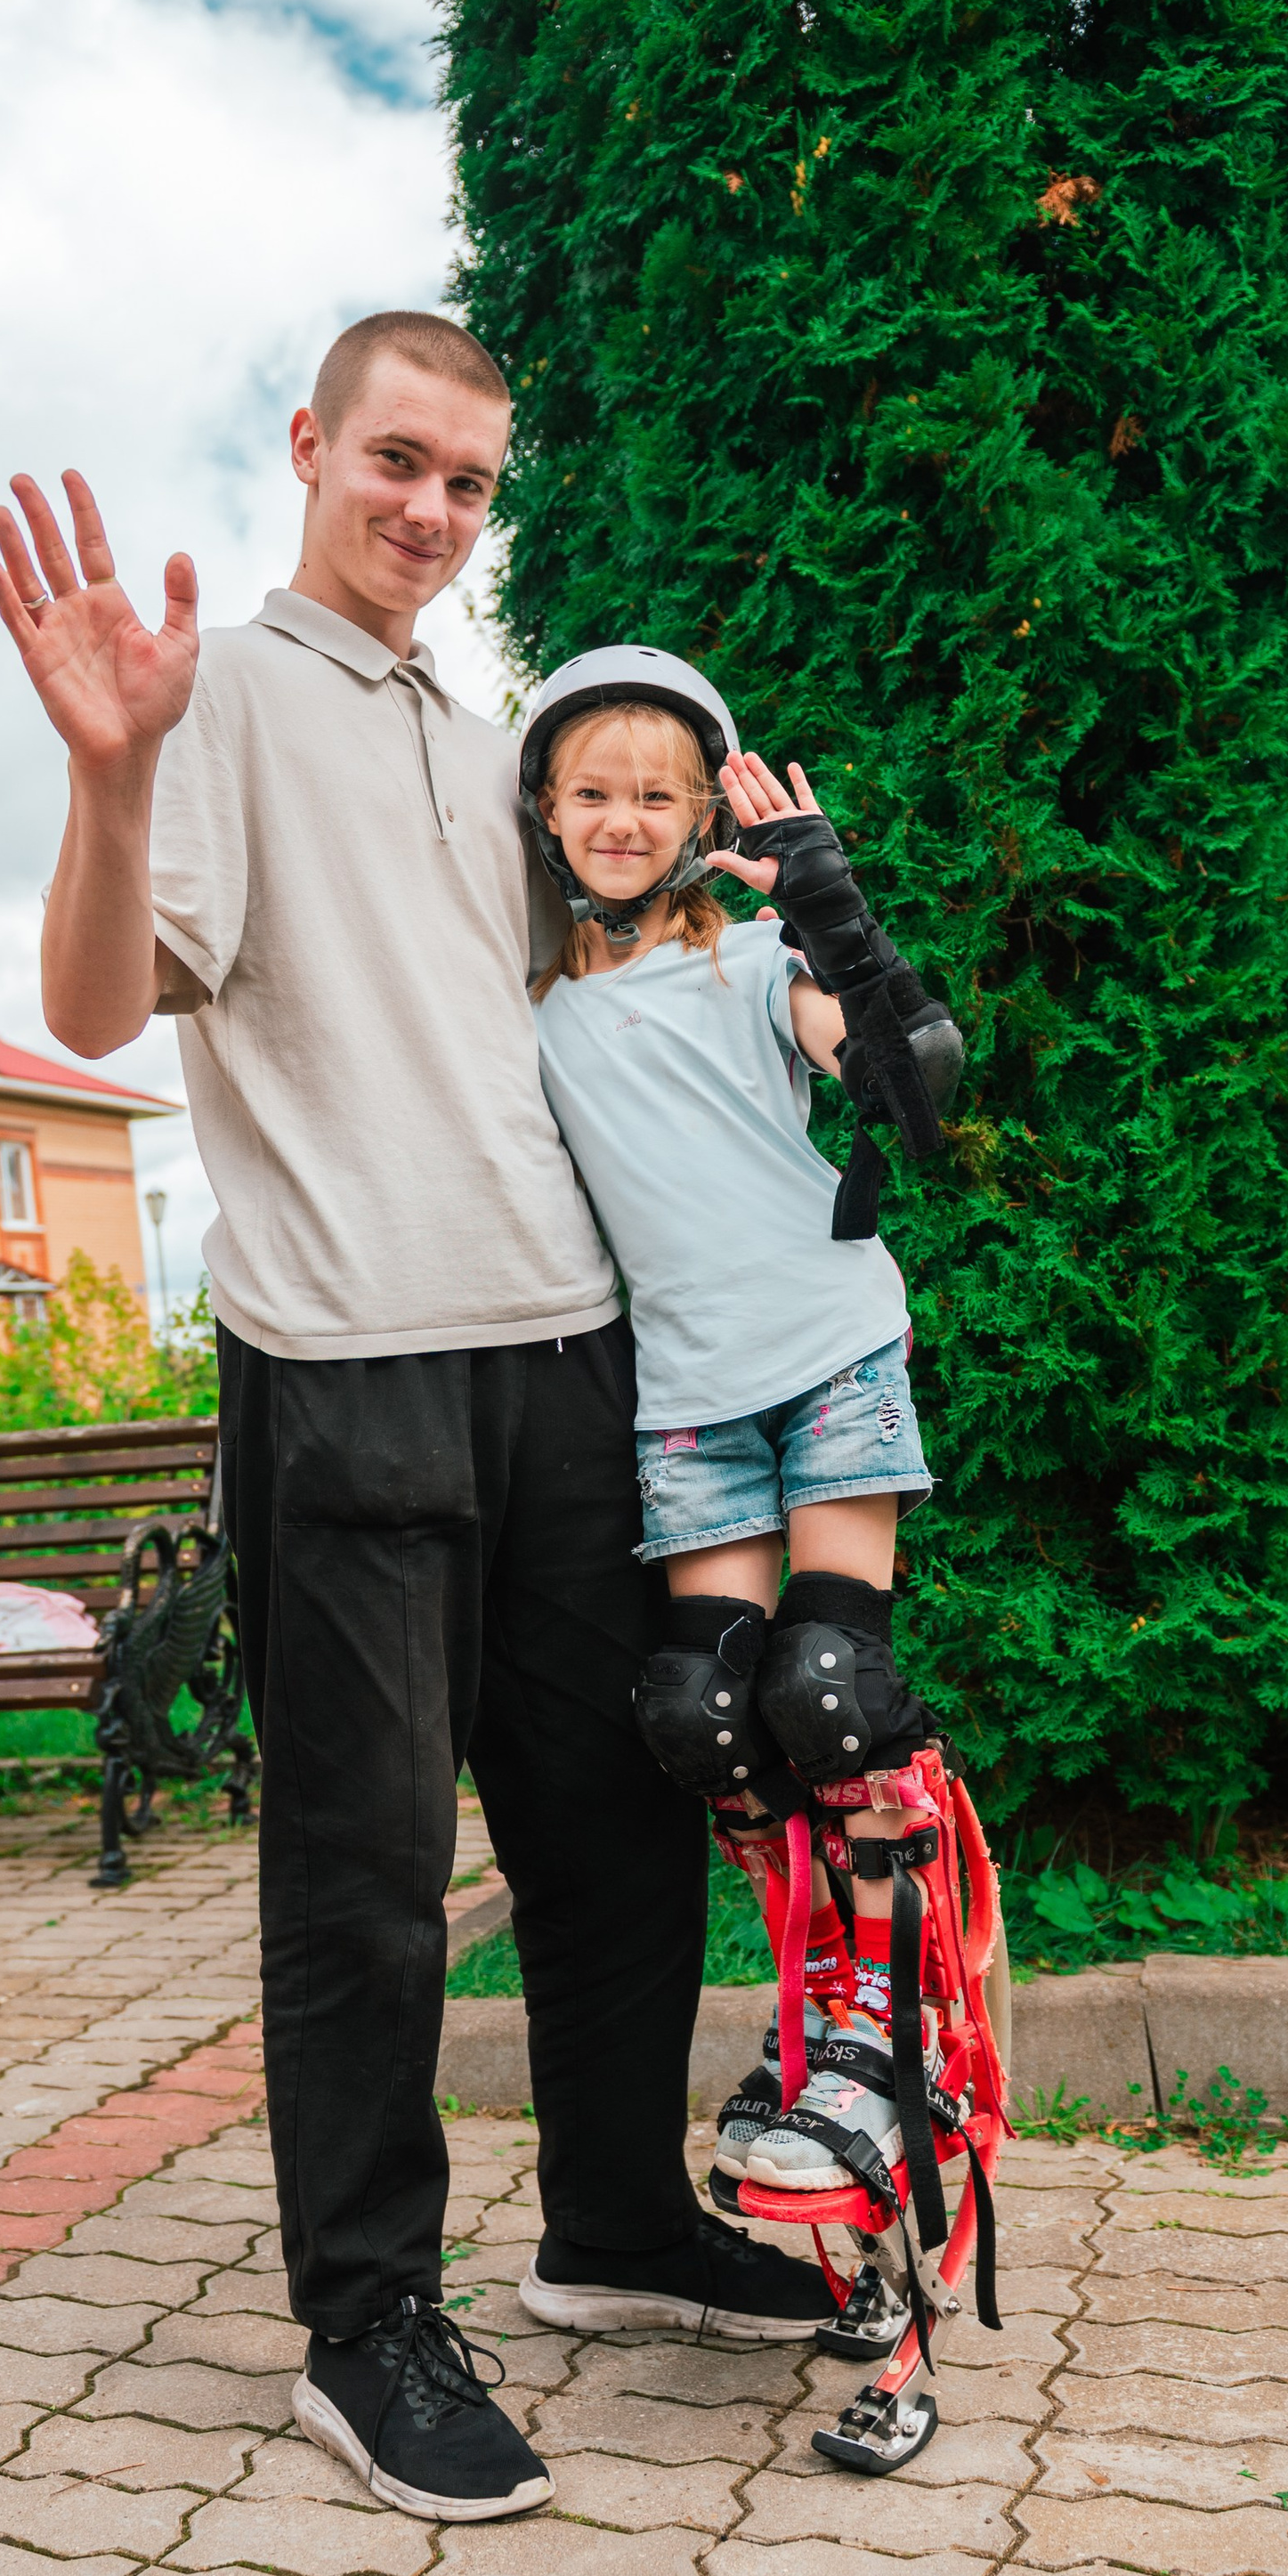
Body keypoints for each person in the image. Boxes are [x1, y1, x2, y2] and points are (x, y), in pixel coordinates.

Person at [0, 310, 832, 2530]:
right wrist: (102, 773)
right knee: (364, 1878)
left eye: (466, 480)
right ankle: (364, 2321)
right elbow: (90, 1007)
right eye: (394, 462)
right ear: (307, 444)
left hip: (571, 1354)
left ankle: (612, 2225)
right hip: (350, 1360)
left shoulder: (492, 734)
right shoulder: (221, 696)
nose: (429, 511)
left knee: (616, 1826)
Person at [521, 665, 965, 2218]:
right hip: (690, 1391)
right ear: (548, 814)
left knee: (823, 1688)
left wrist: (837, 905)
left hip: (830, 1346)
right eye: (592, 790)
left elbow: (917, 1082)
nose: (624, 817)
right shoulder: (540, 1006)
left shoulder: (763, 958)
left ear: (705, 813)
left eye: (656, 791)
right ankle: (810, 1985)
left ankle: (882, 2014)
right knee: (700, 1709)